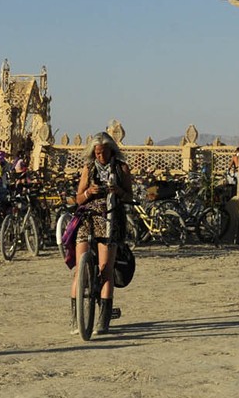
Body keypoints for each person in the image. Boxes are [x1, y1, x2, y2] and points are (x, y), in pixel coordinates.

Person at [71, 132, 133, 335]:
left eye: (103, 152)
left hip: (110, 219)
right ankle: (76, 319)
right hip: (87, 218)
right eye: (96, 153)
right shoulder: (88, 169)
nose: (100, 156)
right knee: (80, 268)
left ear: (111, 150)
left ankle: (103, 320)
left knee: (106, 269)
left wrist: (117, 192)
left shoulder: (121, 168)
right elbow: (78, 198)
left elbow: (129, 196)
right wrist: (89, 192)